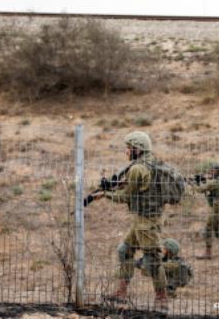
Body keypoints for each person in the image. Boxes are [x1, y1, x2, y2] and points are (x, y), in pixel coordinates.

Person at [90, 131, 169, 308]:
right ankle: (121, 293)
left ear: (137, 149)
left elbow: (127, 196)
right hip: (144, 219)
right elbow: (139, 187)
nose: (126, 151)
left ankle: (162, 298)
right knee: (124, 250)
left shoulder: (137, 168)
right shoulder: (151, 162)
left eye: (129, 148)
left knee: (153, 258)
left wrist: (105, 194)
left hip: (146, 223)